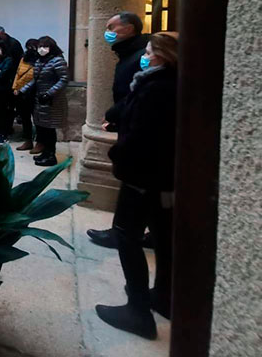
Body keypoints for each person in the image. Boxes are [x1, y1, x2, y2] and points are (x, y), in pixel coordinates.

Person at [95, 32, 178, 340]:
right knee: (162, 237)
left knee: (127, 237)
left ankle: (138, 311)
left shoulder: (155, 87)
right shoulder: (171, 82)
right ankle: (165, 297)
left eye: (149, 50)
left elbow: (143, 135)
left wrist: (118, 153)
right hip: (162, 179)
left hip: (142, 177)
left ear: (160, 55)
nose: (144, 54)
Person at [88, 12, 151, 249]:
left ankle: (122, 232)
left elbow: (139, 94)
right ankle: (151, 232)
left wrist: (115, 113)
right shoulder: (130, 53)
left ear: (129, 29)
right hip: (133, 126)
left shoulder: (141, 55)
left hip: (140, 134)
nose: (107, 31)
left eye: (112, 26)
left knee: (135, 185)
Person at [19, 36, 68, 166]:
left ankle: (51, 155)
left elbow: (63, 79)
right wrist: (23, 90)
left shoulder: (58, 61)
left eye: (45, 46)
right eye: (40, 46)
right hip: (40, 99)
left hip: (52, 101)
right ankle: (45, 153)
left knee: (50, 129)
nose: (41, 49)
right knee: (42, 128)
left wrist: (49, 93)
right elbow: (36, 79)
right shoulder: (40, 61)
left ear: (51, 47)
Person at [0, 26, 24, 135]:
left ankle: (7, 128)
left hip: (11, 78)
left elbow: (18, 61)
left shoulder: (14, 44)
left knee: (9, 106)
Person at [12, 39, 39, 151]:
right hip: (21, 93)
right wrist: (15, 87)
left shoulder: (39, 60)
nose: (30, 49)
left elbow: (36, 77)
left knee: (37, 119)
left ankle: (39, 142)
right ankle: (28, 140)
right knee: (25, 118)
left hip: (34, 93)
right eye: (28, 46)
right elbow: (18, 73)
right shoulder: (23, 58)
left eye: (32, 47)